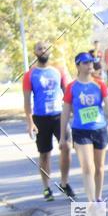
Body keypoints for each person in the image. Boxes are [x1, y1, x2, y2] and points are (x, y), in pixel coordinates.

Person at [60, 52, 108, 203]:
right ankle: (90, 200)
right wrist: (61, 136)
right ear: (78, 65)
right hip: (80, 130)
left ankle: (97, 196)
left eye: (91, 61)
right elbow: (65, 112)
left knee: (99, 167)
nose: (90, 64)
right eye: (85, 62)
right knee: (87, 167)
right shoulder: (72, 87)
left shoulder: (99, 84)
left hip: (99, 129)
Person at [22, 40, 75, 201]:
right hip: (40, 117)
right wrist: (30, 122)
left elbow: (67, 94)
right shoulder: (30, 75)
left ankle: (64, 183)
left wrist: (74, 112)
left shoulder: (58, 71)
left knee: (66, 147)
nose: (43, 50)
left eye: (45, 48)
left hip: (59, 115)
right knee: (44, 154)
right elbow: (26, 101)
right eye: (40, 48)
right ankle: (46, 187)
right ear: (35, 53)